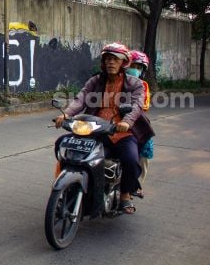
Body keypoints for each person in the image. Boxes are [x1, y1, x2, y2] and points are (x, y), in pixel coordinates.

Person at [55, 43, 155, 214]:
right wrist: (66, 114)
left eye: (115, 59)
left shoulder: (134, 83)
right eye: (107, 59)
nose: (110, 62)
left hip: (121, 132)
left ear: (124, 62)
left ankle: (125, 195)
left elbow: (138, 105)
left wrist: (126, 122)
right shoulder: (96, 80)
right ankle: (63, 187)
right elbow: (81, 98)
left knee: (131, 160)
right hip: (95, 130)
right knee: (64, 144)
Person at [127, 50, 154, 196]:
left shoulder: (143, 85)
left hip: (136, 122)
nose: (135, 70)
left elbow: (144, 106)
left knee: (146, 147)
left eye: (138, 67)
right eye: (133, 66)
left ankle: (136, 185)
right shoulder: (115, 80)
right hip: (109, 119)